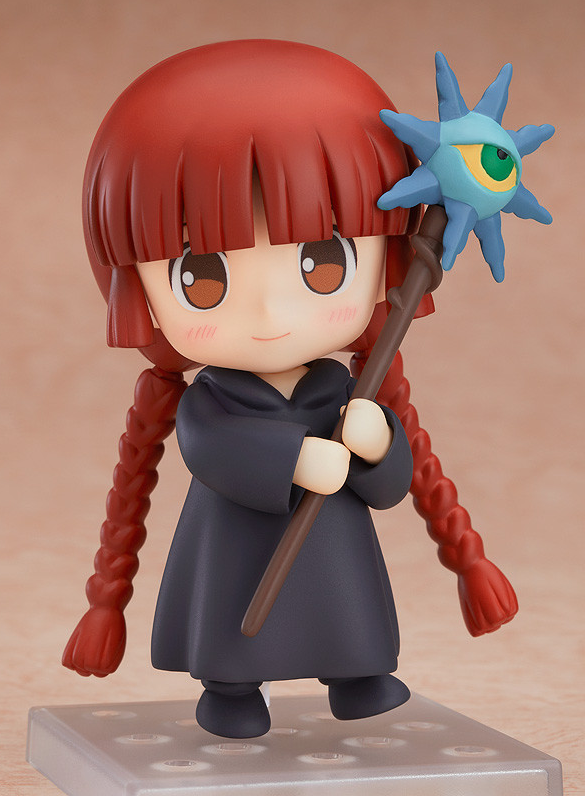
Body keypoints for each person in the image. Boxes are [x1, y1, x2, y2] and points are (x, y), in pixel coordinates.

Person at [63, 39, 517, 738]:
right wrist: (293, 461)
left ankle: (358, 675)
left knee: (346, 603)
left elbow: (392, 485)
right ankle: (232, 690)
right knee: (233, 618)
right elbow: (211, 450)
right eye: (202, 277)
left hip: (332, 543)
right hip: (235, 542)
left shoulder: (343, 387)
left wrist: (376, 443)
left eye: (324, 260)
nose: (270, 313)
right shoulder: (211, 401)